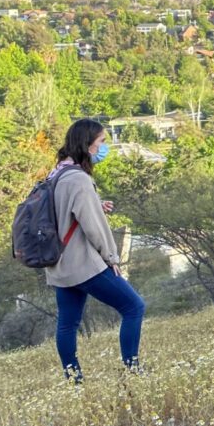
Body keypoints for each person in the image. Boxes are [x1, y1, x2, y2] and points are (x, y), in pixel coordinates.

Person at [48, 118, 145, 382]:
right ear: (88, 144)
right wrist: (111, 257)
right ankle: (133, 369)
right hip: (83, 263)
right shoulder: (79, 179)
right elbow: (93, 227)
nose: (104, 147)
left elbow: (62, 211)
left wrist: (94, 203)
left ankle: (74, 378)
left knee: (67, 323)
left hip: (59, 265)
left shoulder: (58, 172)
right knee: (134, 307)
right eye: (101, 141)